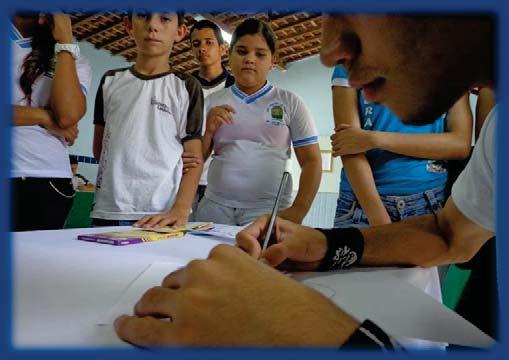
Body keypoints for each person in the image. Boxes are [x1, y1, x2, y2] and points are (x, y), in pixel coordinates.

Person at [114, 15, 495, 348]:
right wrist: (326, 244)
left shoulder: (288, 102)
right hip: (219, 208)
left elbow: (312, 161)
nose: (328, 53)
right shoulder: (496, 132)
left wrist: (306, 329)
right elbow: (448, 235)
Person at [193, 18, 322, 226]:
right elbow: (195, 159)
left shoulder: (290, 102)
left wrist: (298, 211)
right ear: (230, 54)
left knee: (258, 259)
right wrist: (208, 131)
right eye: (242, 51)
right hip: (214, 207)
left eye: (260, 54)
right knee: (209, 258)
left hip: (268, 211)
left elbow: (312, 161)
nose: (250, 59)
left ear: (272, 61)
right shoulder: (212, 102)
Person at [91, 12, 204, 227]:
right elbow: (100, 149)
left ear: (180, 31)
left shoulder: (186, 87)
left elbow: (194, 160)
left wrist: (180, 210)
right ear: (128, 25)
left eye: (164, 19)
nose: (152, 25)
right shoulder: (110, 81)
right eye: (143, 16)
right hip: (107, 210)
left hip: (160, 214)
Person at [330, 64, 472, 229]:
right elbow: (348, 144)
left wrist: (375, 139)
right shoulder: (349, 63)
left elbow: (460, 145)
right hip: (361, 205)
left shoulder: (453, 66)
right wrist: (380, 221)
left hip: (429, 202)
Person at [11, 13, 91, 231]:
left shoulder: (74, 61)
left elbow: (67, 116)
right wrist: (44, 116)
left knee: (36, 263)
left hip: (49, 180)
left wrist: (65, 42)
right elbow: (58, 120)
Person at [183, 19, 235, 220]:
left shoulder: (236, 88)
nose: (202, 48)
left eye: (208, 42)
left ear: (223, 48)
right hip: (185, 178)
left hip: (221, 183)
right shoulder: (182, 86)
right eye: (196, 44)